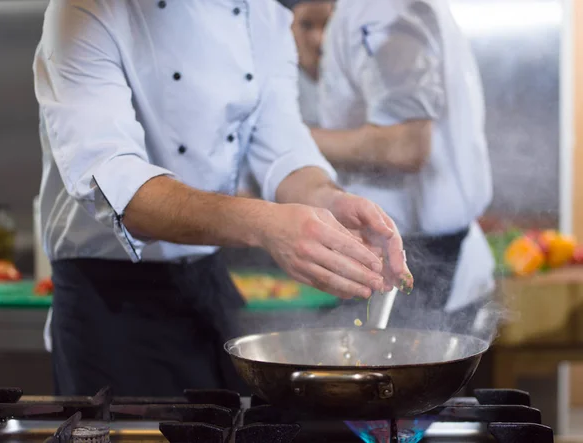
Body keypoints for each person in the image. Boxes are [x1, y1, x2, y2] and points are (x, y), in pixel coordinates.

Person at [33, 0, 412, 396]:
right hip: (109, 301)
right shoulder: (84, 11)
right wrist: (264, 224)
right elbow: (121, 187)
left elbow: (283, 145)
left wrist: (329, 200)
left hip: (208, 284)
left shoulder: (262, 14)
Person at [314, 0, 496, 332]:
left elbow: (405, 145)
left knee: (387, 381)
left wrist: (291, 142)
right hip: (419, 252)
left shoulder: (376, 7)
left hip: (410, 262)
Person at [237, 0, 334, 198]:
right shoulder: (263, 78)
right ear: (286, 25)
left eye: (327, 25)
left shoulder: (340, 81)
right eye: (306, 25)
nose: (319, 39)